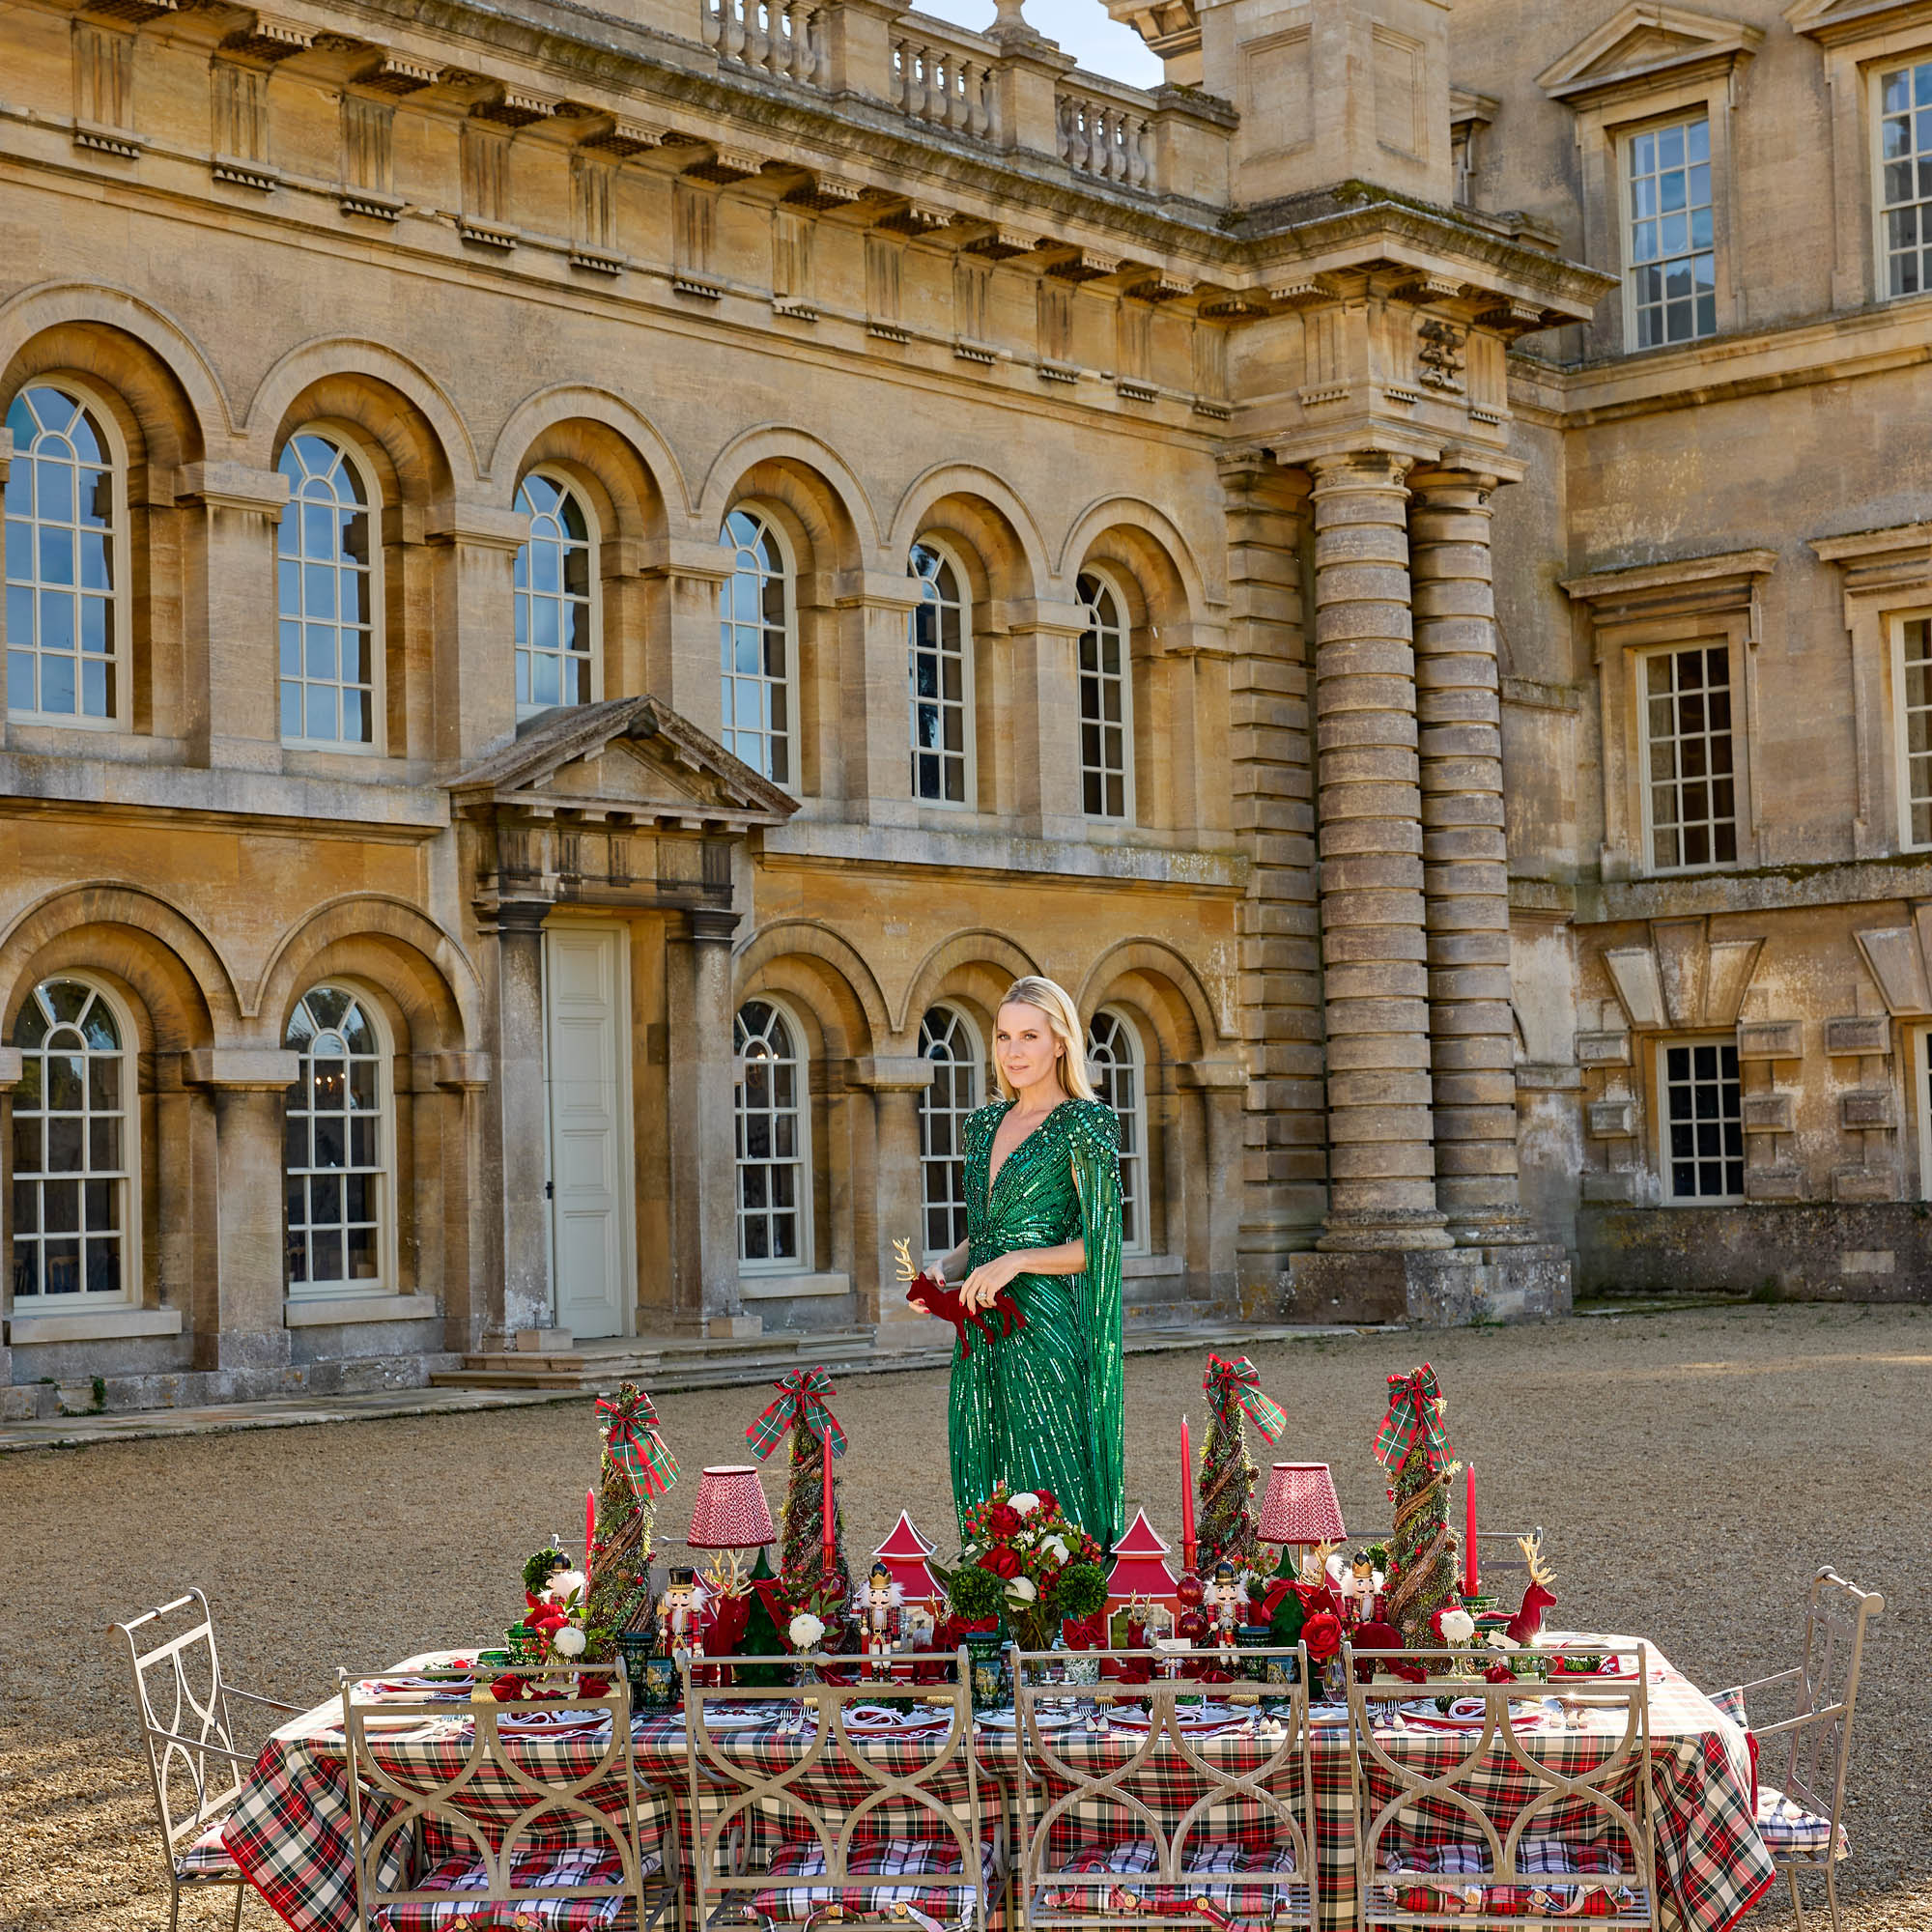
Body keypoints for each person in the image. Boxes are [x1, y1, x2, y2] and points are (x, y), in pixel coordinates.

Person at [918, 975, 1125, 1548]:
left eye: (1029, 1035)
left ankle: (1065, 1621)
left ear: (1060, 1042)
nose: (1013, 1051)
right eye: (1004, 1036)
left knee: (1048, 1472)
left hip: (1044, 1330)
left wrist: (1018, 1262)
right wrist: (949, 1265)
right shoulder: (982, 1126)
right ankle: (998, 1615)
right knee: (981, 1468)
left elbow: (1099, 1247)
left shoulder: (1085, 1124)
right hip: (980, 1330)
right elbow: (985, 1233)